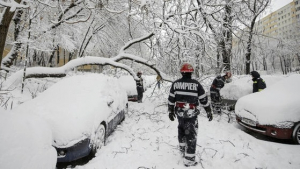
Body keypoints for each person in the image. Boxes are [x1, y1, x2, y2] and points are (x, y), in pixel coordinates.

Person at [168, 63, 213, 167]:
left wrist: (170, 111)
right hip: (191, 113)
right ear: (191, 73)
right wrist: (208, 111)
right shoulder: (196, 84)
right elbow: (204, 99)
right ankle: (189, 159)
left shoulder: (175, 84)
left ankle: (183, 149)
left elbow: (171, 100)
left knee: (181, 129)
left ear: (182, 72)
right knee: (191, 135)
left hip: (179, 112)